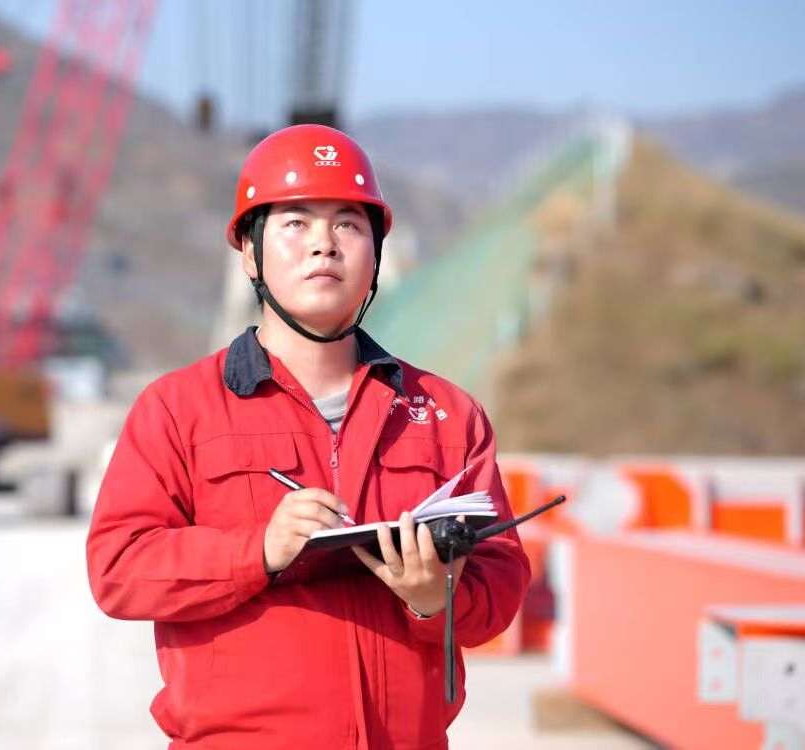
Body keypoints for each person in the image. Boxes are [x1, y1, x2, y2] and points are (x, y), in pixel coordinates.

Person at [86, 124, 530, 749]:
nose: (324, 244)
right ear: (250, 253)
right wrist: (259, 551)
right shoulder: (177, 410)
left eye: (348, 224)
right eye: (295, 223)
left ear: (376, 252)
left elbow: (501, 581)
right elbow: (119, 569)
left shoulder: (448, 415)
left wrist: (437, 596)